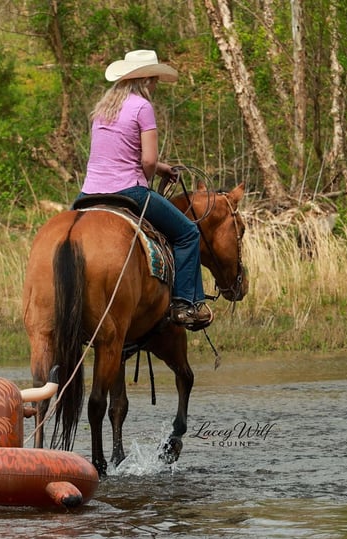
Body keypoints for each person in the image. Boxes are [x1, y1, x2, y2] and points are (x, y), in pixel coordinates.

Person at [78, 49, 213, 331]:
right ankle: (185, 304)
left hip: (89, 194)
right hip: (129, 192)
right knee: (188, 233)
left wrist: (161, 168)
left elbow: (116, 153)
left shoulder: (103, 107)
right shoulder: (142, 107)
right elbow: (147, 161)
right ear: (146, 80)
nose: (156, 86)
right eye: (155, 80)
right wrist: (149, 175)